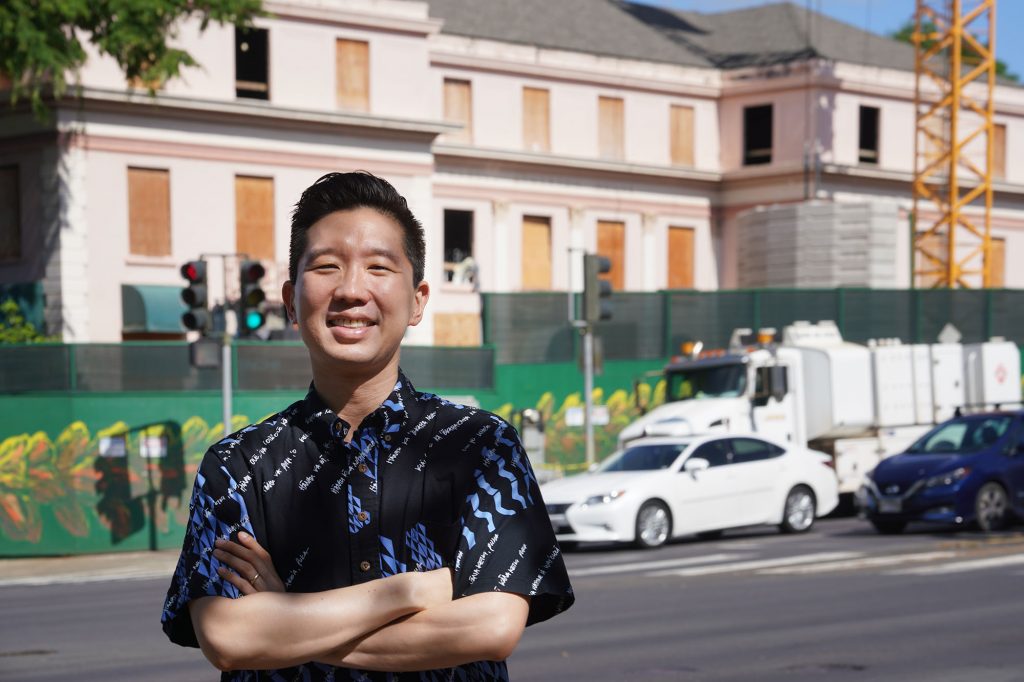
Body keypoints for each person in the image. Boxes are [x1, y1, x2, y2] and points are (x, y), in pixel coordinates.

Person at [160, 171, 574, 681]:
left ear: (418, 300)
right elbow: (228, 636)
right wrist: (410, 591)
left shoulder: (482, 447)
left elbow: (489, 628)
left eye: (379, 267)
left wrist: (285, 618)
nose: (352, 289)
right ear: (291, 300)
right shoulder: (238, 464)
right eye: (328, 266)